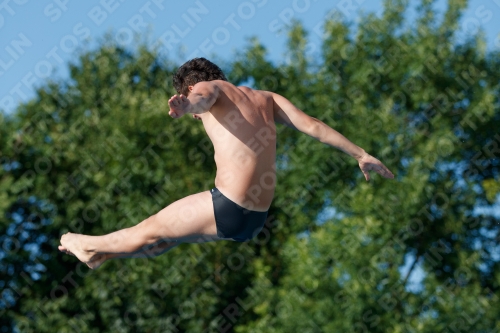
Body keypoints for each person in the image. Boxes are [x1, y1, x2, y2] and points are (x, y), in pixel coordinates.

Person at [59, 58, 394, 269]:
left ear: (190, 83)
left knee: (148, 229)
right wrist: (360, 154)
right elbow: (314, 127)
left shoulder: (205, 87)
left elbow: (202, 97)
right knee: (164, 240)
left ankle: (84, 243)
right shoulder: (268, 98)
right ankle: (105, 255)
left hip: (228, 204)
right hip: (253, 221)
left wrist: (186, 106)